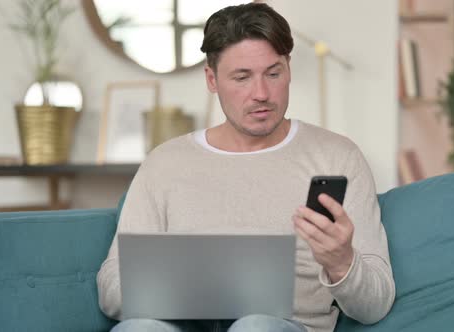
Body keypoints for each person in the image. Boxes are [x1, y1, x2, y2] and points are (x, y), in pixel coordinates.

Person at [97, 3, 395, 332]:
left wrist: (342, 263)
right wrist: (192, 289)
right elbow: (111, 289)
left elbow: (376, 304)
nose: (262, 94)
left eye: (273, 73)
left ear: (289, 69)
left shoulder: (338, 156)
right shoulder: (163, 164)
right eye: (242, 77)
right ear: (212, 79)